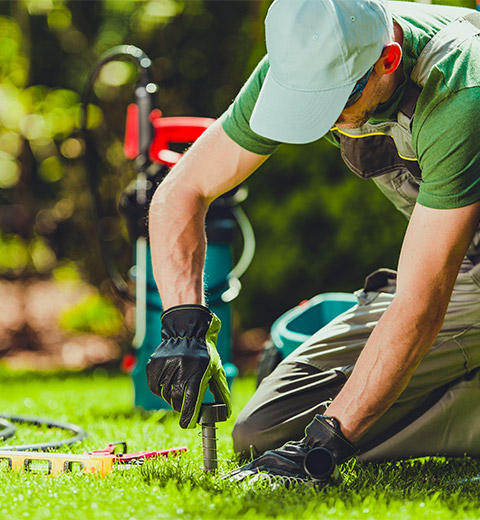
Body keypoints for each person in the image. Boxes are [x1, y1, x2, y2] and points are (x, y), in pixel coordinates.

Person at [146, 0, 480, 482]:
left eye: (334, 103)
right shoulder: (306, 59)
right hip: (462, 269)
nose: (321, 119)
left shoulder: (460, 89)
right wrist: (183, 327)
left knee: (321, 439)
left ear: (388, 59)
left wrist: (326, 444)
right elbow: (181, 191)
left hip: (451, 284)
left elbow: (421, 302)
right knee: (263, 433)